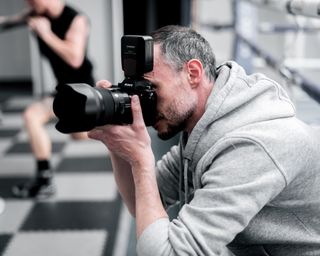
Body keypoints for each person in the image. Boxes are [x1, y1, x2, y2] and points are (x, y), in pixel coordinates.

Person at [88, 25, 320, 256]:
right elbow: (141, 202)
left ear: (193, 73)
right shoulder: (200, 129)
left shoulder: (250, 147)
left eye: (153, 89)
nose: (146, 105)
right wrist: (117, 144)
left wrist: (141, 160)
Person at [1, 0, 95, 199]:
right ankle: (112, 124)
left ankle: (44, 182)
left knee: (32, 116)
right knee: (78, 135)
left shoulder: (76, 20)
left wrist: (46, 33)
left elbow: (74, 58)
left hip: (81, 90)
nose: (29, 4)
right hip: (63, 89)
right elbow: (6, 22)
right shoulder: (37, 14)